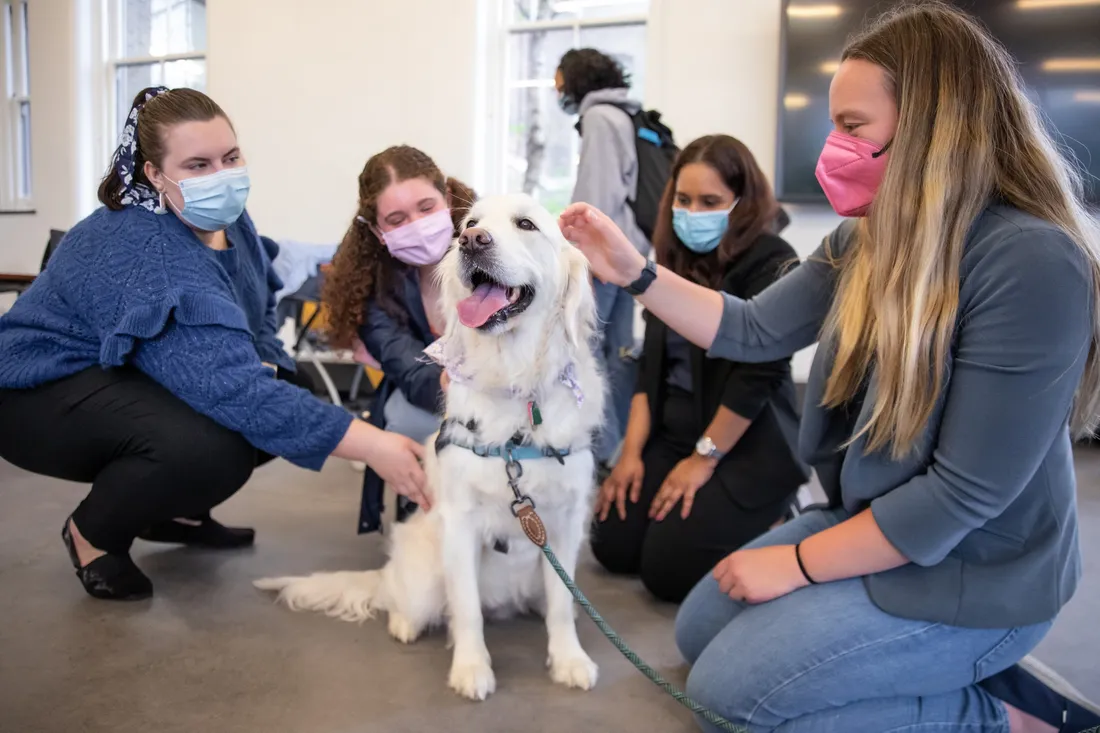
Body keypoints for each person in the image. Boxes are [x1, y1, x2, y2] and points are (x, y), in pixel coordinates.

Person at [560, 4, 1100, 731]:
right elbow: (751, 329)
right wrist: (636, 272)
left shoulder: (1030, 261)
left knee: (731, 695)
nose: (832, 146)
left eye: (852, 126)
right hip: (876, 524)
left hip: (979, 573)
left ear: (933, 128)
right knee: (700, 630)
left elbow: (960, 498)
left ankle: (1002, 714)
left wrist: (801, 564)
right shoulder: (865, 240)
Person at [0, 87, 428, 602]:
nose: (221, 176)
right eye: (198, 165)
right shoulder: (147, 248)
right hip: (36, 388)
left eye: (230, 157)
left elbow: (260, 304)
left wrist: (268, 361)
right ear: (155, 174)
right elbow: (233, 392)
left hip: (115, 370)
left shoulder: (225, 221)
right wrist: (374, 444)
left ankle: (174, 512)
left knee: (287, 384)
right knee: (209, 446)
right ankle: (93, 536)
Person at [590, 134, 808, 603]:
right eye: (684, 200)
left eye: (710, 201)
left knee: (665, 572)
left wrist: (703, 460)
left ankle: (777, 517)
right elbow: (651, 369)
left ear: (741, 202)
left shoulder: (772, 260)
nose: (693, 213)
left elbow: (759, 376)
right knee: (612, 543)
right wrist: (629, 456)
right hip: (674, 432)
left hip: (742, 442)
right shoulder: (670, 259)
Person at [323, 145, 476, 534]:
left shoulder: (490, 246)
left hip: (501, 388)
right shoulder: (372, 283)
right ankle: (424, 508)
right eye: (397, 218)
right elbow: (403, 362)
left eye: (426, 207)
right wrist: (446, 384)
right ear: (377, 230)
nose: (418, 224)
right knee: (408, 420)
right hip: (432, 389)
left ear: (448, 198)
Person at [556, 48, 648, 472]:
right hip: (631, 255)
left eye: (559, 82)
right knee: (618, 354)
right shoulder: (626, 113)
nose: (557, 91)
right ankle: (618, 451)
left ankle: (598, 453)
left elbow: (595, 197)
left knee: (588, 355)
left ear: (576, 79)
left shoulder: (598, 118)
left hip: (605, 261)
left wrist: (581, 261)